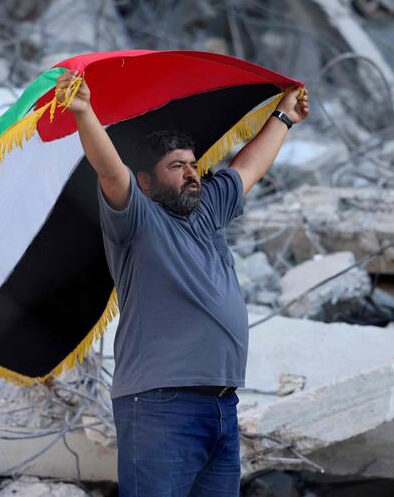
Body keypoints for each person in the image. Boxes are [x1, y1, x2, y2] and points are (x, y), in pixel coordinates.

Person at [56, 69, 309, 496]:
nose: (192, 174)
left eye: (193, 164)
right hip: (159, 406)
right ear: (147, 182)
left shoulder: (208, 210)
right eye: (177, 167)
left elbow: (248, 166)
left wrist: (284, 117)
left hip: (222, 405)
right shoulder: (137, 220)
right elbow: (110, 170)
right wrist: (83, 112)